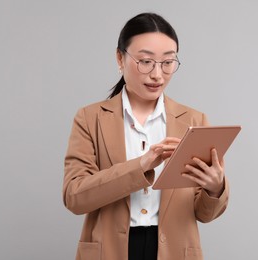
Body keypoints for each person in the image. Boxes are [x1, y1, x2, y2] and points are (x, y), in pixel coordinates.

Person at [63, 12, 229, 260]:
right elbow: (74, 197)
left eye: (168, 62)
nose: (157, 75)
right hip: (108, 250)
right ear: (120, 58)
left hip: (173, 250)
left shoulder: (194, 121)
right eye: (145, 61)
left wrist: (214, 189)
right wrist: (140, 166)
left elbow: (204, 214)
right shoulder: (90, 118)